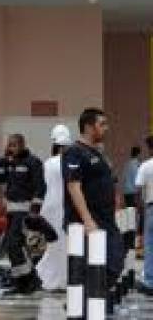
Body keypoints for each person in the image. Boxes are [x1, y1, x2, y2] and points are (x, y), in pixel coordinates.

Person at [63, 108, 124, 313]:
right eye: (102, 124)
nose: (106, 128)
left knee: (115, 261)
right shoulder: (74, 151)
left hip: (106, 220)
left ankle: (89, 299)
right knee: (91, 267)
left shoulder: (98, 152)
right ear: (89, 126)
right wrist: (87, 219)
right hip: (87, 222)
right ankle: (83, 305)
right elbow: (73, 187)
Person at [0, 133, 45, 295]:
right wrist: (2, 162)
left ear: (22, 145)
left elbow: (40, 186)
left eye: (14, 145)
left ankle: (30, 279)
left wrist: (35, 210)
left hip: (25, 210)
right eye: (9, 145)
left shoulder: (33, 162)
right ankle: (22, 282)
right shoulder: (9, 162)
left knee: (15, 244)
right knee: (12, 247)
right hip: (11, 210)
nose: (11, 148)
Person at [36, 124, 72, 291]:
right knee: (65, 244)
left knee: (53, 245)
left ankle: (48, 277)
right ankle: (61, 279)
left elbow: (44, 187)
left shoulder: (48, 163)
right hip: (66, 207)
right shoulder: (72, 163)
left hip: (50, 207)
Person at [135, 136, 153, 295]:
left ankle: (150, 280)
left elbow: (138, 190)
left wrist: (140, 209)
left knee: (150, 244)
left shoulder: (145, 166)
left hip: (151, 208)